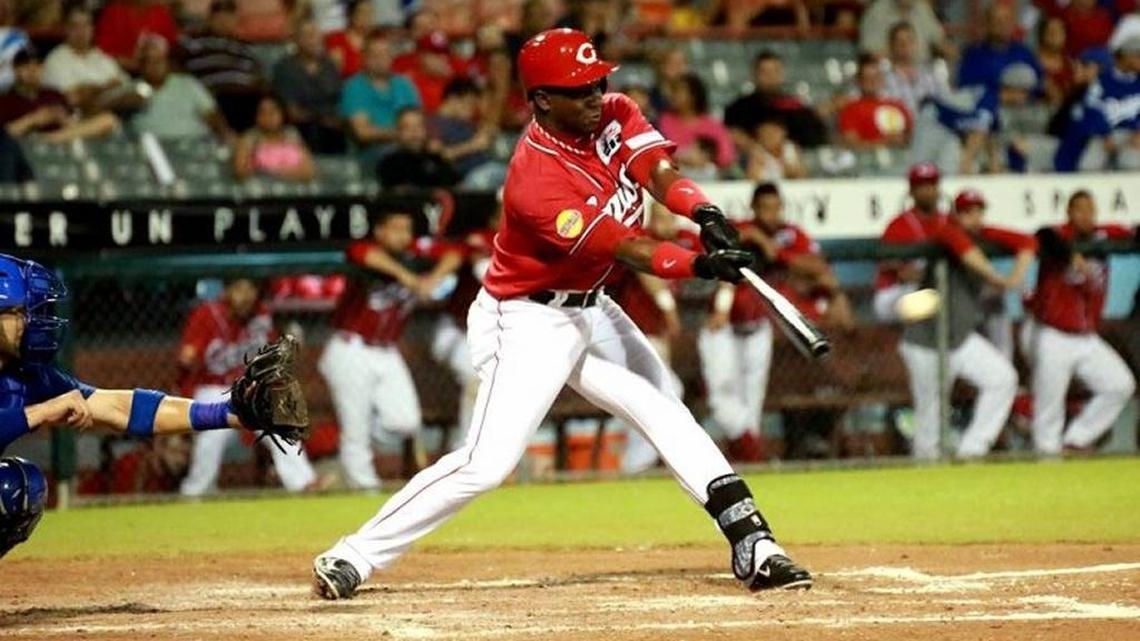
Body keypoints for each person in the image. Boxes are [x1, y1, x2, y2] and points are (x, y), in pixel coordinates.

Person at [312, 28, 812, 600]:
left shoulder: (615, 110)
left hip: (592, 307)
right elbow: (627, 246)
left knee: (664, 405)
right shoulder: (535, 180)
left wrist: (707, 212)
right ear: (542, 100)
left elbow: (657, 172)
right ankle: (352, 554)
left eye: (598, 80)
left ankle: (754, 543)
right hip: (525, 320)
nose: (596, 93)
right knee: (487, 462)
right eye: (579, 88)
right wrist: (700, 265)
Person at [0, 254, 303, 557]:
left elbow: (121, 408)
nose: (31, 321)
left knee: (20, 487)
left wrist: (226, 414)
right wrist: (40, 411)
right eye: (17, 312)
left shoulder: (28, 375)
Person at [874, 166, 1033, 459]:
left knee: (1003, 378)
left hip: (958, 336)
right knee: (930, 411)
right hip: (918, 330)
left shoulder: (963, 227)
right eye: (967, 212)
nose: (974, 218)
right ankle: (927, 466)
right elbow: (956, 248)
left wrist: (1013, 276)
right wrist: (998, 279)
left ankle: (972, 450)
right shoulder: (937, 229)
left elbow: (1027, 241)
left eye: (977, 211)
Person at [699, 182, 845, 462]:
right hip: (724, 328)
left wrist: (774, 251)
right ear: (753, 207)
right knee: (722, 403)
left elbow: (818, 266)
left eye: (776, 207)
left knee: (752, 404)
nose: (771, 214)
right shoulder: (740, 228)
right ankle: (752, 453)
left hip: (757, 330)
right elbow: (714, 254)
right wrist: (753, 238)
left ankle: (746, 464)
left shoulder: (790, 235)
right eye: (765, 207)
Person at [318, 210, 463, 490]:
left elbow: (456, 252)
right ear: (380, 230)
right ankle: (363, 487)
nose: (402, 236)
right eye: (395, 229)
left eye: (406, 229)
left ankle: (353, 449)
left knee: (405, 422)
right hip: (350, 347)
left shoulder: (414, 251)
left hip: (386, 351)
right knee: (355, 428)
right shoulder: (368, 250)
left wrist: (433, 278)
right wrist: (407, 276)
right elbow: (360, 253)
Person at [177, 278, 320, 495]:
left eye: (251, 289)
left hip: (247, 389)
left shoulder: (260, 315)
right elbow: (186, 357)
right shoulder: (208, 314)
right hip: (212, 387)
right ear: (227, 292)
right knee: (213, 433)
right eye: (239, 289)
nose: (245, 296)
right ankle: (195, 491)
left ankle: (303, 484)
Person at [1020, 190, 1136, 455]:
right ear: (1069, 213)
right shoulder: (1058, 235)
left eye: (1090, 210)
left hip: (1086, 337)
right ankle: (1046, 458)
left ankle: (1076, 440)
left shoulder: (1104, 235)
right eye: (1079, 209)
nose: (1086, 215)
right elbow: (1041, 235)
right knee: (1049, 405)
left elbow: (1133, 231)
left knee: (1120, 385)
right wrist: (1070, 256)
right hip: (1051, 334)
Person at [609, 201, 696, 473]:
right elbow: (646, 273)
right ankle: (638, 464)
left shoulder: (681, 241)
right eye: (660, 216)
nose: (665, 222)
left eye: (670, 216)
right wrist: (668, 308)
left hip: (652, 335)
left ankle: (639, 462)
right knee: (663, 390)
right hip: (629, 332)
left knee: (651, 394)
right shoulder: (642, 238)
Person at [909, 62, 1037, 174]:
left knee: (946, 169)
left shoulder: (996, 107)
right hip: (934, 118)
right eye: (1024, 92)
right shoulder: (989, 99)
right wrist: (966, 164)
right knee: (919, 168)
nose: (1025, 98)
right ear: (1013, 89)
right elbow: (978, 133)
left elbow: (990, 138)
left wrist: (994, 166)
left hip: (950, 128)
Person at [1054, 36, 1140, 172]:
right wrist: (1105, 133)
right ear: (1126, 56)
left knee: (1132, 163)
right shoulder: (1102, 80)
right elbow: (1091, 107)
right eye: (1138, 56)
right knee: (1089, 165)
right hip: (1103, 134)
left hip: (1133, 136)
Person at [178, 0, 266, 131]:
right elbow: (180, 70)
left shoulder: (246, 47)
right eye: (219, 17)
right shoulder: (193, 41)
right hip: (213, 97)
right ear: (210, 19)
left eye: (229, 17)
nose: (224, 22)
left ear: (236, 20)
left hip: (246, 98)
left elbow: (258, 77)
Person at [0, 48, 119, 145]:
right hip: (26, 145)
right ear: (15, 70)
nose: (32, 70)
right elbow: (5, 134)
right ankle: (45, 140)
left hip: (61, 139)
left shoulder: (53, 94)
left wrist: (63, 119)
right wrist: (33, 119)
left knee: (108, 119)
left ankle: (50, 139)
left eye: (37, 65)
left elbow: (74, 123)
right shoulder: (6, 99)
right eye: (26, 66)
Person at [340, 32, 421, 173]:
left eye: (385, 54)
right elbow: (363, 132)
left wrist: (410, 136)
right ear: (364, 58)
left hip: (410, 148)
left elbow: (420, 123)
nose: (380, 59)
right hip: (372, 153)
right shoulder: (354, 87)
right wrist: (401, 134)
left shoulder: (404, 84)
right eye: (374, 55)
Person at [129, 36, 233, 142]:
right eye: (149, 61)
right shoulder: (130, 89)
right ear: (141, 65)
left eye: (159, 60)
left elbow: (212, 115)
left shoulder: (188, 84)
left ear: (168, 62)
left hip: (191, 143)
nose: (154, 66)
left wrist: (226, 137)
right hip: (148, 148)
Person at [723, 50, 828, 149]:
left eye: (775, 71)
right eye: (765, 72)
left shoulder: (797, 108)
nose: (771, 77)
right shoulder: (738, 109)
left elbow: (816, 141)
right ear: (754, 75)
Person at [271, 16, 344, 154]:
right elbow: (292, 112)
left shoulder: (329, 65)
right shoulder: (285, 68)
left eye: (317, 35)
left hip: (334, 125)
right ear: (297, 40)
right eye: (308, 35)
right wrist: (322, 119)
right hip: (303, 127)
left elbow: (339, 99)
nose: (314, 40)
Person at [41, 7, 127, 114]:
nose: (81, 31)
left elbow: (124, 86)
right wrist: (105, 87)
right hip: (76, 119)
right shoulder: (55, 60)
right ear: (65, 29)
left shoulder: (102, 56)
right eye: (75, 26)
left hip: (113, 114)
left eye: (86, 25)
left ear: (92, 29)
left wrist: (91, 89)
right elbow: (74, 98)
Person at [429, 78, 501, 187]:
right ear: (453, 99)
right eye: (469, 103)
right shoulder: (434, 124)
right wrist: (474, 145)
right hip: (470, 176)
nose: (471, 110)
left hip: (487, 169)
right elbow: (440, 155)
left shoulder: (464, 124)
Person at [957, 2, 1042, 93]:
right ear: (988, 24)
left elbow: (1040, 83)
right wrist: (1000, 94)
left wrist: (1023, 94)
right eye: (998, 21)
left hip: (1025, 105)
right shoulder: (973, 54)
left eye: (1007, 20)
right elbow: (966, 86)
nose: (1003, 25)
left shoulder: (1024, 53)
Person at [658, 72, 736, 170]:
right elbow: (657, 153)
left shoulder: (712, 125)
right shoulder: (663, 121)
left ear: (693, 96)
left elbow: (727, 157)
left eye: (678, 91)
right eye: (673, 91)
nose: (673, 96)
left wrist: (706, 158)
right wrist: (682, 158)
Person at [233, 94, 316, 182]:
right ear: (256, 116)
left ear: (282, 113)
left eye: (273, 111)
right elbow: (240, 172)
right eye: (263, 112)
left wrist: (278, 172)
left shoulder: (291, 134)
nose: (268, 117)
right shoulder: (249, 138)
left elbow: (309, 171)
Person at [837, 53, 913, 150]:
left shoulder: (898, 106)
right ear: (859, 81)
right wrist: (886, 143)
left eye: (876, 77)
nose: (873, 82)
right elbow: (851, 145)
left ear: (882, 79)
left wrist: (904, 141)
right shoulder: (851, 110)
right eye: (868, 78)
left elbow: (913, 137)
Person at [376, 108, 460, 189]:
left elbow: (455, 189)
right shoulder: (388, 164)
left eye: (419, 126)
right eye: (407, 127)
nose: (414, 131)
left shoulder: (437, 159)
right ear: (398, 132)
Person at [882, 21, 950, 117]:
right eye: (900, 42)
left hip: (931, 128)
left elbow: (947, 104)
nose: (905, 46)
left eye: (910, 40)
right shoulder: (883, 80)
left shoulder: (931, 76)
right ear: (891, 47)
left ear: (916, 44)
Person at [391, 30, 465, 115]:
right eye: (435, 53)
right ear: (421, 56)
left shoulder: (454, 82)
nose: (442, 58)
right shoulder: (408, 83)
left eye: (445, 53)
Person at [93, 0, 179, 71]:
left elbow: (172, 48)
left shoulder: (161, 12)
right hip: (120, 70)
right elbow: (101, 51)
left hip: (157, 71)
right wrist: (126, 63)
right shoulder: (114, 12)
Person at [859, 0, 949, 62]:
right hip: (887, 74)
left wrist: (948, 50)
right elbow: (868, 52)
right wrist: (901, 55)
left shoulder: (923, 9)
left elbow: (940, 42)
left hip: (923, 71)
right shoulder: (877, 12)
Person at [325, 0, 372, 78]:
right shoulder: (335, 39)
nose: (367, 17)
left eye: (370, 13)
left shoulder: (376, 40)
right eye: (363, 13)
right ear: (351, 15)